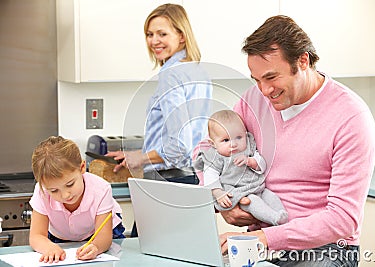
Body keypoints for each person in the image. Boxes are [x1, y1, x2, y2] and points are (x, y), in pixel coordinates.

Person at [215, 15, 375, 266]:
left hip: (326, 250)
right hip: (263, 241)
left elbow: (344, 218)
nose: (264, 90)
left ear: (303, 60)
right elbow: (211, 146)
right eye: (256, 80)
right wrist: (221, 202)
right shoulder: (254, 102)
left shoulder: (351, 117)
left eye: (271, 77)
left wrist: (267, 238)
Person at [105, 3, 212, 237]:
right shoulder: (198, 72)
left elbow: (178, 146)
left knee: (141, 256)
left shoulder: (171, 75)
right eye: (150, 34)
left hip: (168, 183)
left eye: (162, 34)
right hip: (193, 179)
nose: (154, 41)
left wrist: (140, 158)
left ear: (182, 37)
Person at [29, 136, 125, 264]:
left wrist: (96, 247)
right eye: (54, 191)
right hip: (60, 236)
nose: (65, 195)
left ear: (82, 168)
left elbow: (104, 237)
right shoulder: (42, 191)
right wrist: (49, 247)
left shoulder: (101, 190)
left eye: (70, 184)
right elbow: (36, 236)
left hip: (98, 236)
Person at [193, 110, 288, 226]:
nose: (233, 144)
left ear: (245, 134)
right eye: (226, 140)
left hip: (258, 187)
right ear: (213, 144)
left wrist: (250, 161)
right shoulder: (215, 157)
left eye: (239, 137)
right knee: (253, 202)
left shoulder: (249, 147)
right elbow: (210, 178)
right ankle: (275, 219)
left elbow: (261, 165)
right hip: (238, 193)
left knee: (270, 196)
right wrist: (218, 193)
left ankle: (282, 214)